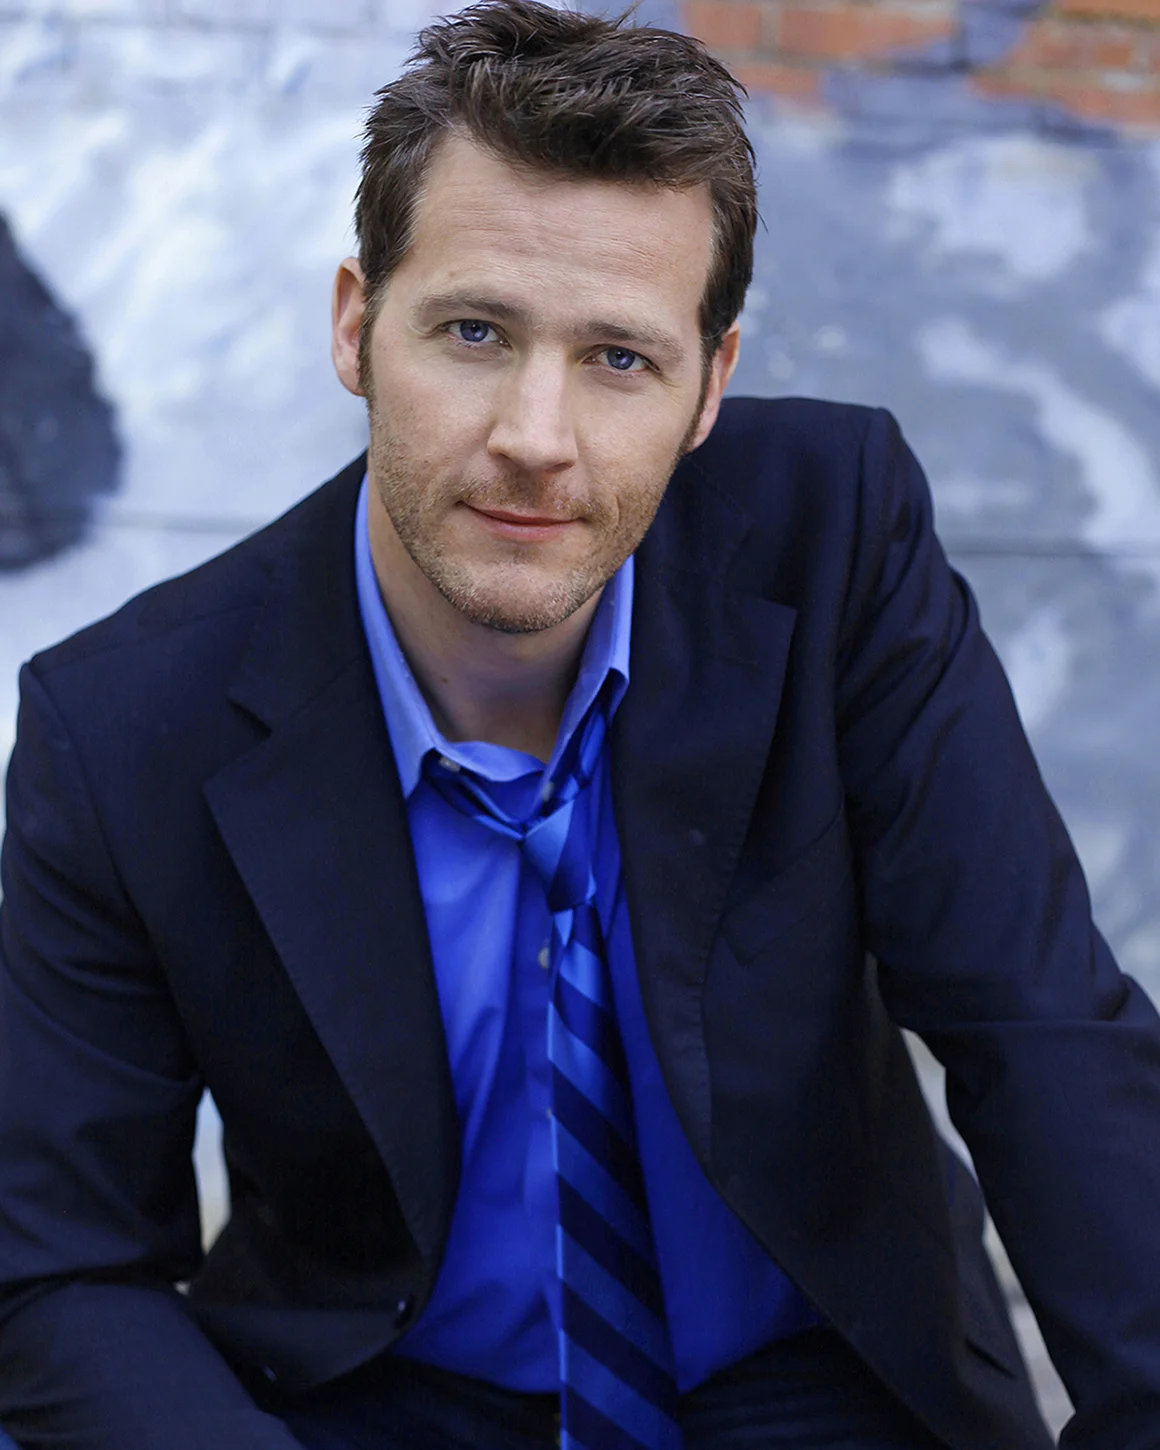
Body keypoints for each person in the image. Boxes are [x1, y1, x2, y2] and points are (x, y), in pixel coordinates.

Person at [1, 2, 1158, 1446]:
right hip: (387, 1401)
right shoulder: (123, 723)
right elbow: (58, 1270)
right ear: (356, 325)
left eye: (619, 359)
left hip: (818, 1373)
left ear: (709, 386)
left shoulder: (833, 538)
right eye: (474, 332)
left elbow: (1038, 1030)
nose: (535, 439)